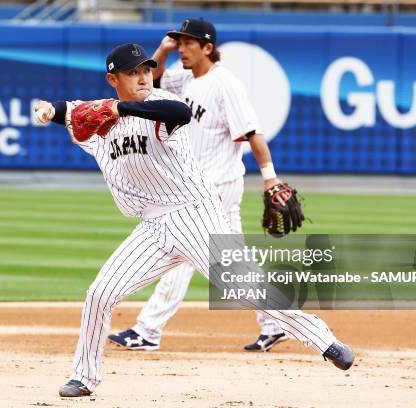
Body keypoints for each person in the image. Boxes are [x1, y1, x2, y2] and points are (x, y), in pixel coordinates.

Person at [35, 42, 353, 398]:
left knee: (245, 289)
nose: (143, 77)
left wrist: (120, 107)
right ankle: (84, 376)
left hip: (194, 212)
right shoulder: (99, 120)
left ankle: (325, 341)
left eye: (145, 70)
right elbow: (68, 111)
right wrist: (49, 110)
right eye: (133, 73)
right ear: (113, 78)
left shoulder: (158, 106)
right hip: (153, 226)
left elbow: (180, 112)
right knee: (99, 293)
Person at [107, 18, 295, 353]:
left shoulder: (226, 85)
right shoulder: (185, 77)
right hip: (197, 189)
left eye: (188, 43)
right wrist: (161, 51)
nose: (182, 48)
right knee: (235, 264)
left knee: (181, 256)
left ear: (208, 47)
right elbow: (150, 84)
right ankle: (277, 322)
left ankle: (148, 330)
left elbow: (253, 133)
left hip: (217, 187)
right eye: (179, 42)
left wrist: (270, 177)